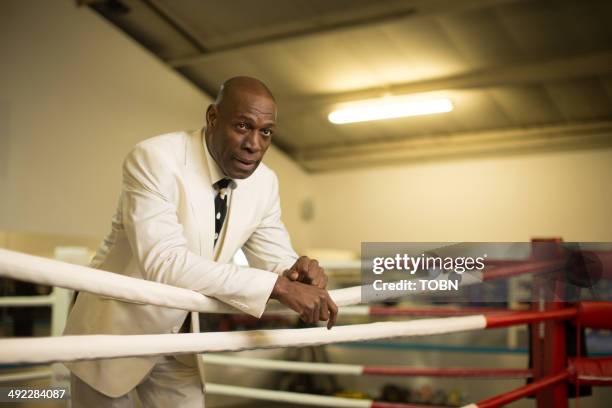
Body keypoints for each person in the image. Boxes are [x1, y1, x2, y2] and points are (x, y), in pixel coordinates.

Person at [63, 76, 338, 407]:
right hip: (114, 332)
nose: (254, 143)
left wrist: (298, 272)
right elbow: (164, 261)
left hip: (179, 339)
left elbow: (274, 255)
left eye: (265, 132)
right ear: (212, 118)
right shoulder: (155, 158)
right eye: (242, 126)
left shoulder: (264, 183)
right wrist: (278, 287)